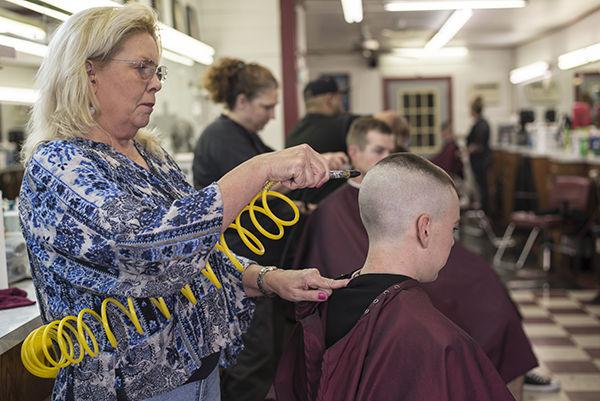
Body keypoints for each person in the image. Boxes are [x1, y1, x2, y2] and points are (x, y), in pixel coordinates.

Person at [19, 5, 347, 401]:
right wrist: (259, 169)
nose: (156, 83)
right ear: (89, 72)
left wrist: (268, 278)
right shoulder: (59, 163)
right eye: (142, 67)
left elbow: (198, 254)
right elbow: (150, 251)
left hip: (198, 374)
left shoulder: (150, 156)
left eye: (158, 71)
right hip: (128, 389)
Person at [292, 116, 538, 400]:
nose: (385, 157)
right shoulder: (443, 345)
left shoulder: (319, 320)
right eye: (453, 229)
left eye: (390, 150)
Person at [192, 58, 342, 401]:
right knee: (252, 363)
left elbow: (275, 183)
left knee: (267, 356)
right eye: (267, 106)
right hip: (237, 269)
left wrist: (319, 164)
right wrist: (296, 175)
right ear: (242, 101)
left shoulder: (249, 139)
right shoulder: (221, 139)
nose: (273, 115)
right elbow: (257, 190)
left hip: (263, 266)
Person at [285, 76, 356, 204]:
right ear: (330, 99)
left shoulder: (293, 133)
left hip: (300, 210)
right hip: (330, 209)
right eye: (339, 97)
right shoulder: (343, 125)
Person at [467, 96, 491, 213]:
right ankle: (483, 210)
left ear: (473, 110)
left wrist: (469, 149)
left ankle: (484, 212)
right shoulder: (479, 123)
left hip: (481, 162)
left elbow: (479, 145)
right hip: (478, 161)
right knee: (480, 186)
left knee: (482, 187)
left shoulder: (482, 125)